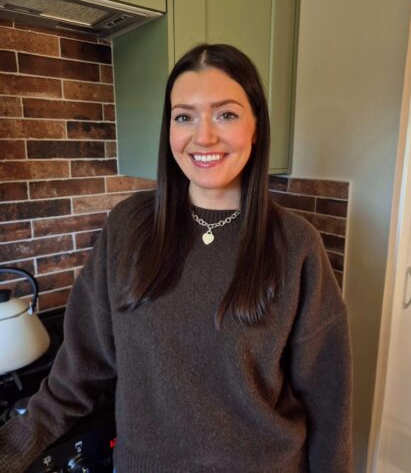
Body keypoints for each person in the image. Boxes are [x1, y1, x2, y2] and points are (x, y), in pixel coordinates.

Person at [0, 43, 352, 472]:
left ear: (256, 126)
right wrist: (9, 451)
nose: (203, 136)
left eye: (226, 114)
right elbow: (75, 377)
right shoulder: (128, 227)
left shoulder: (296, 245)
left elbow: (330, 405)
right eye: (184, 116)